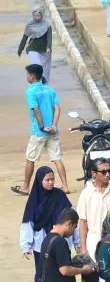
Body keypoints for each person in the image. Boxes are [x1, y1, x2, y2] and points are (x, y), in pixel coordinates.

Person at [21, 166, 80, 282]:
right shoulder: (34, 200)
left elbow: (72, 221)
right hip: (41, 245)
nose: (51, 183)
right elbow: (28, 222)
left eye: (53, 179)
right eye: (47, 180)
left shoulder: (60, 196)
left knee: (62, 274)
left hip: (61, 243)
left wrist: (77, 242)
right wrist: (26, 246)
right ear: (40, 181)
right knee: (42, 275)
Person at [13, 64, 69, 195]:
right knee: (57, 158)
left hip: (39, 132)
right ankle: (65, 186)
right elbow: (57, 109)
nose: (26, 76)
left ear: (32, 77)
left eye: (27, 74)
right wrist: (54, 125)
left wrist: (42, 126)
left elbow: (36, 110)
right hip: (53, 131)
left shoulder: (31, 91)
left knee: (30, 159)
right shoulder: (50, 90)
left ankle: (25, 187)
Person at [18, 5, 53, 83]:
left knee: (45, 68)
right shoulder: (30, 24)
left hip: (45, 49)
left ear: (41, 15)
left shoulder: (47, 25)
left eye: (38, 15)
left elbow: (49, 37)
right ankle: (37, 82)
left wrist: (48, 47)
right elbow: (25, 37)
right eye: (35, 16)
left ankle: (44, 83)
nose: (37, 17)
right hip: (33, 48)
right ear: (33, 15)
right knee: (37, 65)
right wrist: (20, 49)